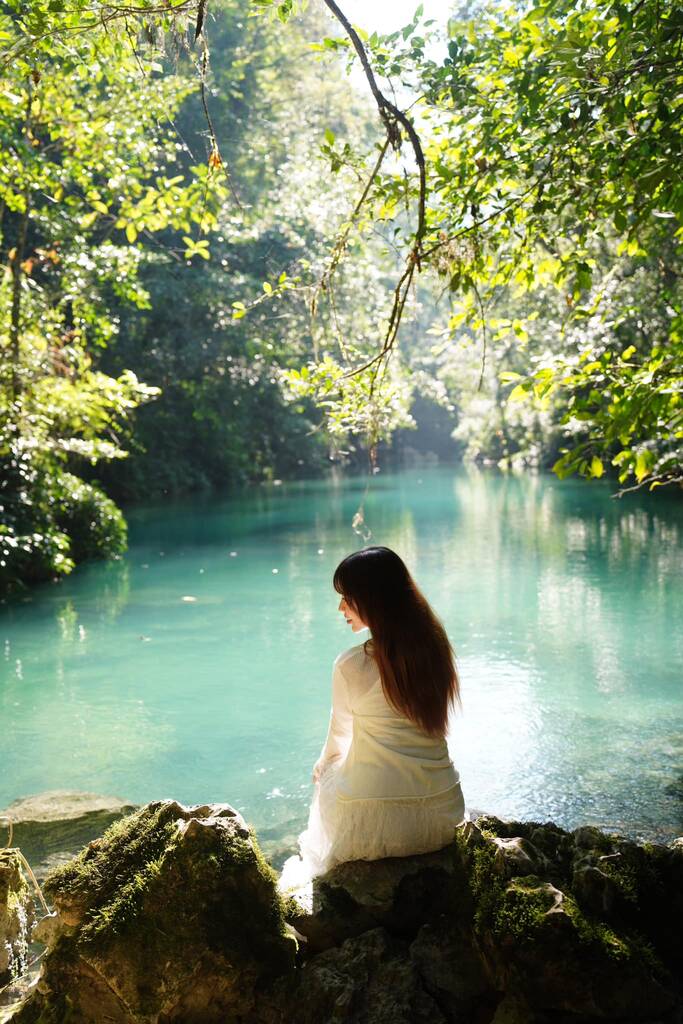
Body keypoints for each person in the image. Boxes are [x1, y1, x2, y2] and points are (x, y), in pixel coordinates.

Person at [278, 546, 466, 891]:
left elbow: (337, 740)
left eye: (347, 598)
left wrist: (322, 768)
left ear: (373, 600)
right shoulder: (436, 648)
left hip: (372, 829)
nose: (341, 608)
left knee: (329, 772)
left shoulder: (351, 665)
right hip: (443, 816)